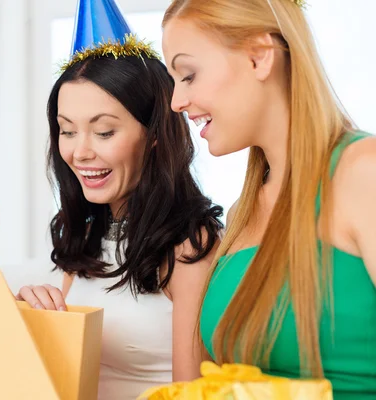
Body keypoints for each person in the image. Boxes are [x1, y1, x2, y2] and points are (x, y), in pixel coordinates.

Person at [161, 0, 376, 398]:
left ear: (259, 57)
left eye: (188, 74)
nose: (176, 102)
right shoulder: (243, 213)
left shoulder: (363, 172)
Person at [17, 0, 223, 398]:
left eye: (104, 132)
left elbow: (191, 393)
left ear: (156, 134)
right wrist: (24, 314)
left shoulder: (190, 243)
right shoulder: (82, 228)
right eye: (67, 130)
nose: (80, 152)